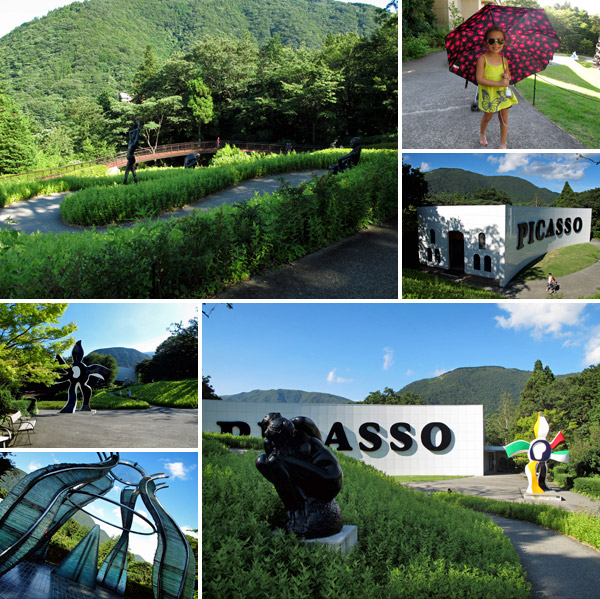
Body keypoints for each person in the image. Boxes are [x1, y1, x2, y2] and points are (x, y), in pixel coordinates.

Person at [476, 27, 518, 149]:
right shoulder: (482, 59)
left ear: (504, 43)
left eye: (500, 41)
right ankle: (482, 133)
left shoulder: (504, 60)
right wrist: (499, 83)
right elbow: (480, 79)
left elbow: (508, 76)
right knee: (487, 116)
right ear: (486, 42)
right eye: (491, 41)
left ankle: (503, 143)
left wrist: (507, 77)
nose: (496, 44)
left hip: (502, 94)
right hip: (489, 95)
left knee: (504, 118)